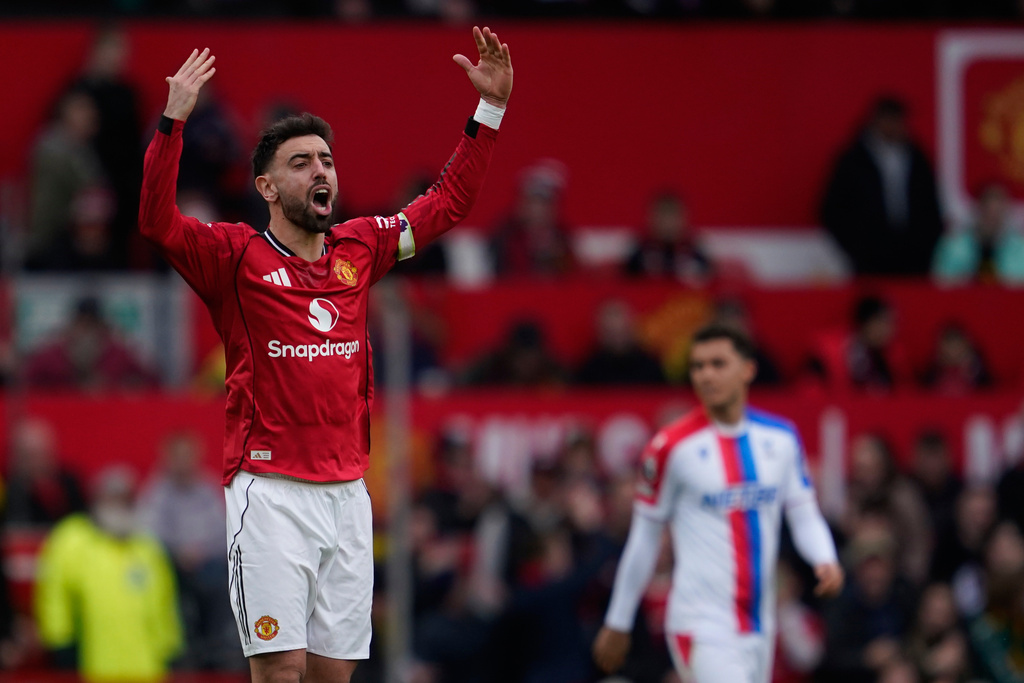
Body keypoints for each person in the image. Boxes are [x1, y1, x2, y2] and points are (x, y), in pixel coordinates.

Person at [137, 29, 512, 683]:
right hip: (270, 490)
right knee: (282, 669)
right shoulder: (234, 257)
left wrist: (490, 111)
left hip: (347, 493)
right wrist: (173, 122)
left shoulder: (360, 248)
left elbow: (446, 204)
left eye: (327, 161)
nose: (322, 172)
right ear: (267, 186)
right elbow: (156, 222)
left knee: (334, 674)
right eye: (302, 162)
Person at [591, 324, 844, 683]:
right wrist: (618, 622)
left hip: (760, 623)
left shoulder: (781, 438)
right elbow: (644, 538)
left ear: (747, 369)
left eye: (717, 364)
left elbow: (803, 513)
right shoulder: (670, 447)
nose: (706, 375)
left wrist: (825, 558)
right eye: (698, 366)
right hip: (700, 622)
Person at [34, 466, 182, 683]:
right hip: (92, 664)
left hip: (147, 668)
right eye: (111, 498)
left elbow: (164, 603)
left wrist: (169, 647)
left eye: (125, 498)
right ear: (96, 499)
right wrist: (60, 642)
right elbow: (54, 594)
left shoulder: (147, 547)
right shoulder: (71, 538)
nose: (118, 505)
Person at [821, 95, 943, 275]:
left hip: (913, 257)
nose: (898, 126)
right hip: (869, 257)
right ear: (878, 120)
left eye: (901, 121)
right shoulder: (854, 160)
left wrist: (926, 244)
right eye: (892, 120)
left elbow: (931, 205)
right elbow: (833, 209)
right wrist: (856, 247)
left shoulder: (917, 158)